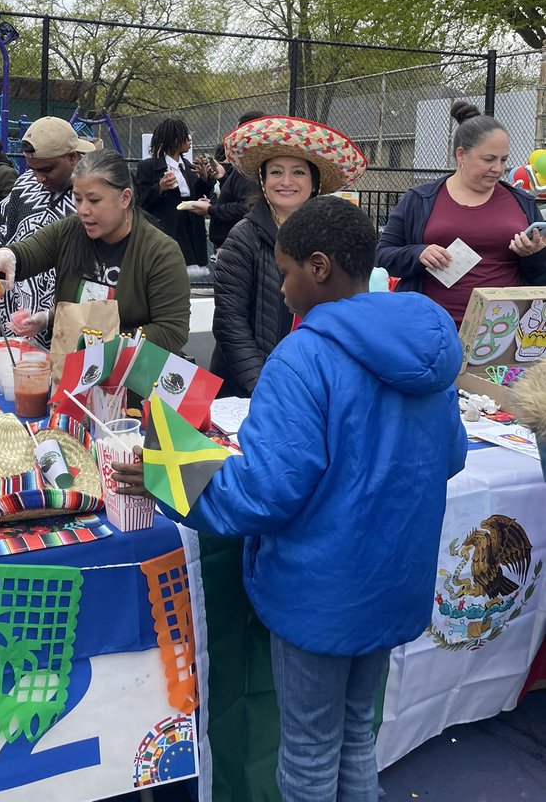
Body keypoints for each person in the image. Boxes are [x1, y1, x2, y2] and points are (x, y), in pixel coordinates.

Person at [115, 196, 467, 802]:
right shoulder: (426, 351)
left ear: (321, 267)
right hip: (393, 583)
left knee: (306, 752)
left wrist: (163, 469)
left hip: (319, 592)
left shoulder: (302, 357)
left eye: (285, 272)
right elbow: (451, 453)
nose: (280, 288)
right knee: (358, 736)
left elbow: (260, 493)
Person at [0, 149, 190, 354]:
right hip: (68, 378)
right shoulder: (70, 230)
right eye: (78, 199)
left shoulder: (160, 252)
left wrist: (97, 345)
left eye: (94, 200)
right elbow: (28, 253)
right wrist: (2, 260)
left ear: (125, 198)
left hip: (128, 383)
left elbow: (171, 331)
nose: (83, 210)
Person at [211, 114, 367, 396]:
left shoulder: (333, 238)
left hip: (316, 380)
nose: (286, 182)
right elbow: (229, 323)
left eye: (298, 172)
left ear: (314, 181)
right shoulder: (243, 238)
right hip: (249, 389)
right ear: (262, 178)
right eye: (276, 172)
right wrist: (265, 386)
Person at [376, 100, 546, 325]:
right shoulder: (420, 199)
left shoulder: (522, 202)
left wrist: (534, 254)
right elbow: (382, 255)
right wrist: (418, 253)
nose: (498, 168)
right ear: (461, 155)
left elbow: (540, 273)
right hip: (433, 331)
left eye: (503, 160)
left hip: (504, 334)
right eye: (488, 159)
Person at [0, 116, 95, 346]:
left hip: (69, 320)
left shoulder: (93, 195)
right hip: (18, 318)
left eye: (47, 169)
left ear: (72, 157)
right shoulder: (24, 186)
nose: (39, 177)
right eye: (33, 169)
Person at [135, 118, 214, 273]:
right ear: (174, 139)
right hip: (166, 227)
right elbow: (140, 201)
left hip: (190, 227)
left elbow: (198, 195)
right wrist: (160, 188)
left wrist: (204, 179)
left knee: (186, 275)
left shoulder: (190, 167)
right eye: (185, 136)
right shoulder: (148, 167)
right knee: (166, 271)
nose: (189, 140)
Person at [207, 111, 265, 249]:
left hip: (237, 243)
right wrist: (222, 179)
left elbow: (245, 207)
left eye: (237, 131)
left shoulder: (250, 166)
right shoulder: (245, 164)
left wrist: (210, 209)